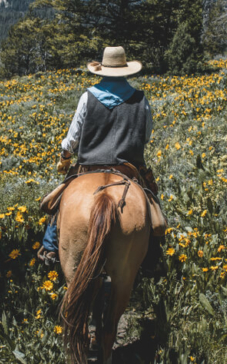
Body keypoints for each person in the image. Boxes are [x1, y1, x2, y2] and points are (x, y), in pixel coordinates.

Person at [38, 46, 162, 272]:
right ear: (125, 70)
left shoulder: (88, 97)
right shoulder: (140, 100)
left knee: (59, 203)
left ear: (102, 70)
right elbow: (145, 137)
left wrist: (65, 156)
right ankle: (154, 254)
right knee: (152, 201)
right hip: (127, 170)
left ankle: (50, 249)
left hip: (88, 168)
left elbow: (72, 139)